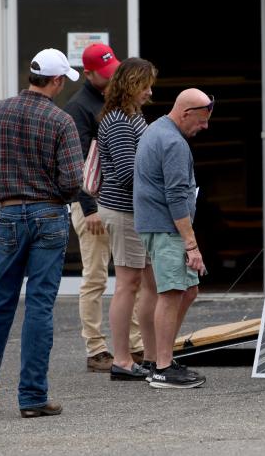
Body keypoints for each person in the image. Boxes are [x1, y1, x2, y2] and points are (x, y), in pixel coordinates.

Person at [0, 48, 83, 418]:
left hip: (10, 214)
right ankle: (32, 396)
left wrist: (7, 184)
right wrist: (51, 194)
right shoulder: (61, 121)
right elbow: (72, 181)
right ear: (57, 80)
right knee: (39, 307)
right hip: (49, 215)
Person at [63, 42, 140, 372]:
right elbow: (78, 160)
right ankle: (95, 348)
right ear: (87, 73)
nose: (110, 79)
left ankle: (135, 343)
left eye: (113, 72)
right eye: (104, 75)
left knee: (130, 276)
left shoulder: (118, 103)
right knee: (95, 276)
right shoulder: (79, 107)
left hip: (119, 203)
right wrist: (88, 206)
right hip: (93, 204)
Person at [134, 89, 212, 389]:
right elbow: (177, 195)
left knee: (186, 290)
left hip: (156, 225)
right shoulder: (173, 142)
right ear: (185, 113)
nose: (204, 127)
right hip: (167, 228)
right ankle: (163, 367)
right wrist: (191, 244)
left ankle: (158, 358)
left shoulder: (156, 129)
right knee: (171, 293)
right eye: (201, 121)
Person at [97, 58, 159, 381]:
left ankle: (151, 356)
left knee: (151, 284)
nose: (149, 91)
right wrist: (161, 184)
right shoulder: (120, 121)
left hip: (138, 212)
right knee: (128, 284)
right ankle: (121, 359)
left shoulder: (132, 115)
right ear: (131, 85)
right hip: (124, 211)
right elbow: (125, 173)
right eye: (145, 85)